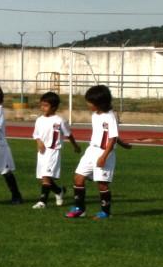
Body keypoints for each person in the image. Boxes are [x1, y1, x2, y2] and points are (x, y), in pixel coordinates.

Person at [66, 84, 121, 221]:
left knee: (102, 183)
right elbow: (106, 134)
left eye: (90, 102)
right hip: (91, 150)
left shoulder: (110, 117)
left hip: (104, 153)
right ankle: (79, 209)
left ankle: (105, 212)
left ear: (99, 103)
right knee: (78, 177)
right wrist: (124, 143)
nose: (88, 104)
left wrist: (104, 156)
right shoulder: (95, 115)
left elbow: (112, 137)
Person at [31, 91, 80, 209]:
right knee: (43, 177)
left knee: (47, 176)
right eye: (41, 105)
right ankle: (59, 191)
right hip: (42, 152)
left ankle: (42, 202)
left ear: (54, 107)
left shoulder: (60, 120)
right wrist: (39, 143)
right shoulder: (39, 120)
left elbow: (69, 134)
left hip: (53, 151)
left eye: (46, 105)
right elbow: (36, 135)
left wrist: (75, 146)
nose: (43, 108)